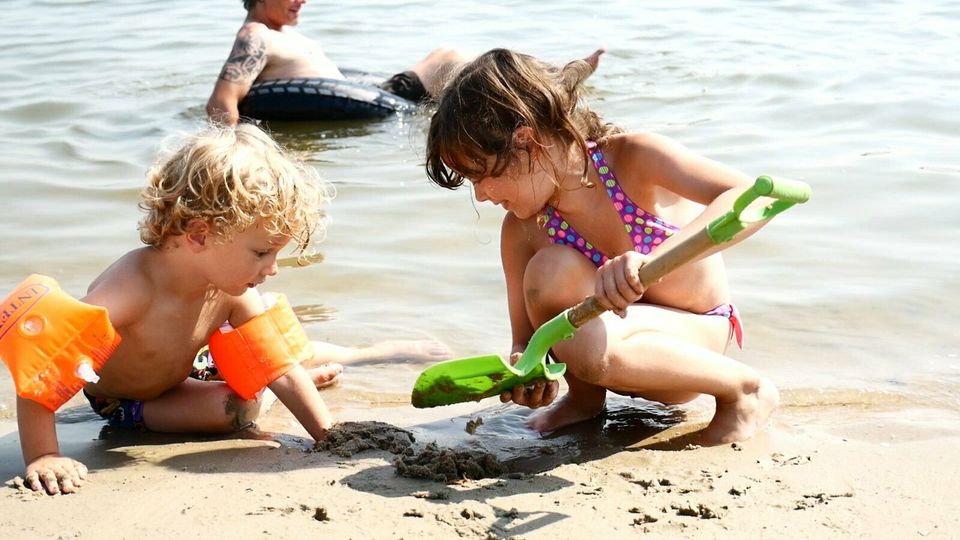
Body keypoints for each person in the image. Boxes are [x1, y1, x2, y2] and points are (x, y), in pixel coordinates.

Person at [7, 123, 449, 496]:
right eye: (261, 253)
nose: (272, 268)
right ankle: (251, 380)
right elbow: (44, 375)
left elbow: (275, 361)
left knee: (276, 355)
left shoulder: (230, 289)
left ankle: (365, 353)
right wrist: (45, 454)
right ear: (200, 234)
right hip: (126, 401)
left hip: (189, 365)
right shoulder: (129, 291)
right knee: (234, 410)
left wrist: (328, 434)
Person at [423, 48, 781, 446]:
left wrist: (650, 262)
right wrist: (528, 372)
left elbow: (755, 198)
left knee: (585, 339)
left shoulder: (634, 159)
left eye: (481, 175)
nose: (482, 195)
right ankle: (585, 401)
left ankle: (745, 390)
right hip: (604, 350)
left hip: (694, 346)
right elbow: (526, 343)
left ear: (524, 140)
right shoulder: (522, 230)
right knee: (550, 271)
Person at [207, 0, 466, 125]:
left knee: (447, 58)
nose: (303, 1)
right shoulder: (255, 35)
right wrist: (235, 155)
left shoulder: (280, 33)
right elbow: (221, 102)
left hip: (375, 95)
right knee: (450, 58)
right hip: (382, 101)